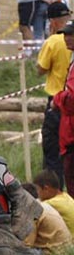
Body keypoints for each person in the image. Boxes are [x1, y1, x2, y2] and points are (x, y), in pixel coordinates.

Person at [37, 2, 73, 189]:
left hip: (57, 103)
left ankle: (54, 194)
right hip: (69, 105)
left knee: (52, 155)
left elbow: (40, 69)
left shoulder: (52, 42)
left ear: (52, 21)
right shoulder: (68, 41)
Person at [20, 183, 71, 254]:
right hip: (65, 248)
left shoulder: (31, 212)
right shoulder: (43, 205)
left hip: (54, 252)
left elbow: (26, 245)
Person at [55, 26, 74, 192]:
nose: (67, 38)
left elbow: (71, 100)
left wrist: (58, 98)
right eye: (65, 35)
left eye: (71, 35)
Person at [32, 169, 74, 234]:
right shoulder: (65, 196)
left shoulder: (52, 203)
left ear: (46, 189)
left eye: (38, 190)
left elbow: (32, 209)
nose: (37, 193)